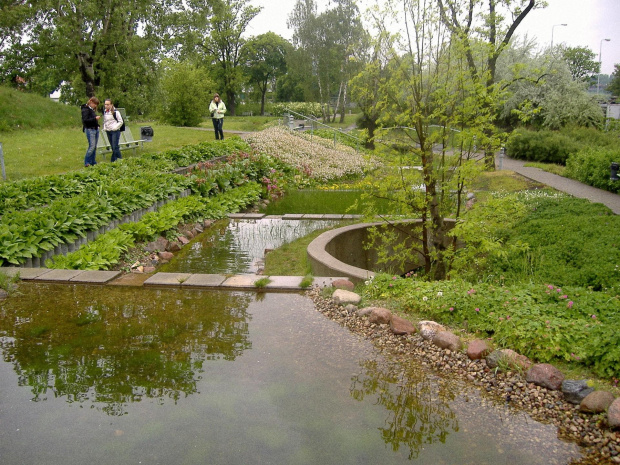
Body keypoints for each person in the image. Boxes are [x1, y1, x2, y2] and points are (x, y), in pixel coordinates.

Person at [81, 97, 100, 167]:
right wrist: (94, 118)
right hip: (90, 129)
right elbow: (85, 120)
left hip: (95, 128)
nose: (95, 106)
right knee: (91, 146)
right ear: (91, 102)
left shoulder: (92, 110)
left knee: (94, 146)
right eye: (94, 104)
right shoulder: (85, 110)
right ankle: (87, 161)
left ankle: (93, 161)